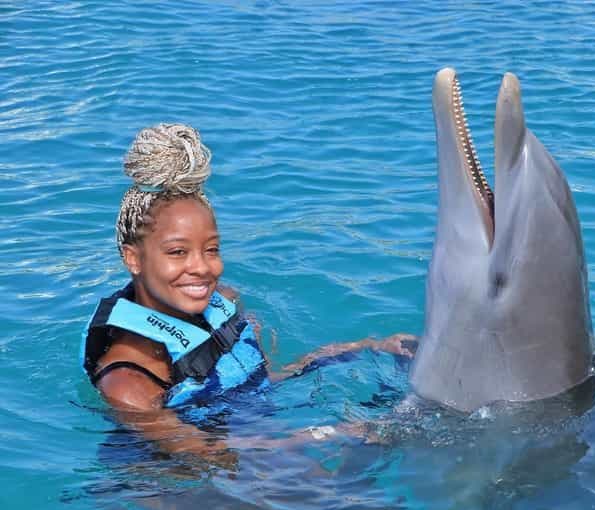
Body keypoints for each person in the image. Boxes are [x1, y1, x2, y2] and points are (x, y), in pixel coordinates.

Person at [80, 123, 417, 461]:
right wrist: (325, 434)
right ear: (133, 259)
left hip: (255, 440)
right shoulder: (129, 383)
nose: (202, 267)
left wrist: (362, 348)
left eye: (211, 250)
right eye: (178, 252)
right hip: (169, 480)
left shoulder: (223, 303)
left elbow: (259, 382)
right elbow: (206, 454)